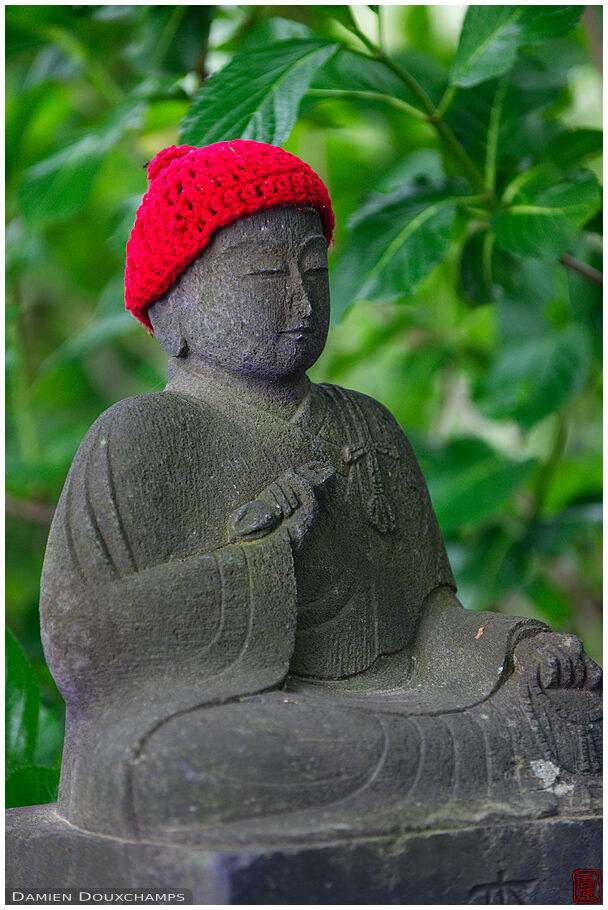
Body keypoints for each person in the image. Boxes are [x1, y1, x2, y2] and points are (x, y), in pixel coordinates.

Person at [40, 140, 601, 845]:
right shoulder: (139, 436)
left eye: (314, 270)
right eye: (265, 273)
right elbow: (83, 645)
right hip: (233, 715)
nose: (301, 300)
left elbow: (426, 615)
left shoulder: (366, 424)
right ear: (172, 311)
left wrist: (512, 649)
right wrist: (254, 566)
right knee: (188, 765)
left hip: (399, 700)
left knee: (570, 712)